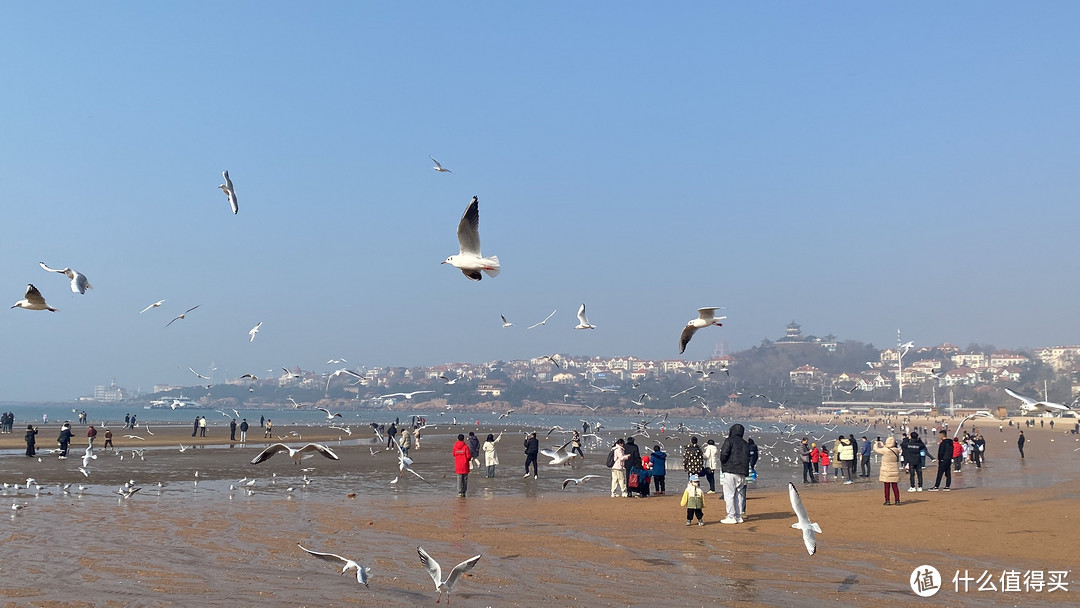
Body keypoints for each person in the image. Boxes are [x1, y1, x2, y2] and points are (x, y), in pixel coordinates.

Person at [718, 423, 750, 524]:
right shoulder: (745, 444)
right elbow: (749, 457)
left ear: (732, 430)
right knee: (739, 494)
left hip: (731, 470)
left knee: (729, 494)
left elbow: (723, 454)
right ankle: (738, 516)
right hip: (742, 472)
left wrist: (724, 463)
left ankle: (731, 516)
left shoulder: (729, 440)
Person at [874, 436, 901, 505]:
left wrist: (876, 443)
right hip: (894, 469)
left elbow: (876, 449)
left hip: (886, 470)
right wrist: (884, 445)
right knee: (895, 486)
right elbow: (890, 448)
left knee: (887, 487)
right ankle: (897, 500)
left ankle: (887, 500)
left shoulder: (885, 450)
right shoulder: (896, 450)